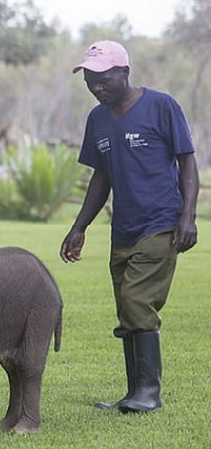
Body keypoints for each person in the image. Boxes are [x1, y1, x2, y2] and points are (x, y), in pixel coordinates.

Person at [60, 40, 199, 413]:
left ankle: (149, 393)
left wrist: (187, 217)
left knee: (138, 302)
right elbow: (100, 176)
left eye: (102, 78)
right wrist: (79, 227)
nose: (95, 85)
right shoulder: (97, 119)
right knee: (127, 306)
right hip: (122, 230)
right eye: (89, 79)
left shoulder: (161, 106)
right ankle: (134, 392)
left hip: (160, 223)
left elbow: (187, 162)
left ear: (123, 72)